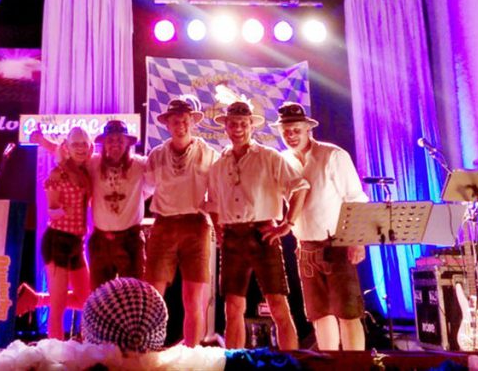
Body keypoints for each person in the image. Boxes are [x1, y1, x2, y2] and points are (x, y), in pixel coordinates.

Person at [206, 99, 309, 350]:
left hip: (263, 235)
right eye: (233, 124)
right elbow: (213, 204)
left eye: (243, 123)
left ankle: (290, 362)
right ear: (226, 127)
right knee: (232, 308)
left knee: (278, 305)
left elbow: (300, 187)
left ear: (252, 126)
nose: (238, 129)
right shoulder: (218, 164)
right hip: (232, 239)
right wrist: (219, 229)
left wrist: (287, 223)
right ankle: (234, 363)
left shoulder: (269, 156)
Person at [271, 101, 369, 351]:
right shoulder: (282, 160)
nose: (291, 136)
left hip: (337, 243)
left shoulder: (332, 155)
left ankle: (353, 366)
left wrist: (357, 240)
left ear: (308, 129)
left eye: (296, 130)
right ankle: (328, 362)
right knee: (319, 313)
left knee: (348, 312)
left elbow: (355, 198)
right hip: (305, 247)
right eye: (286, 131)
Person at [31, 120, 152, 290]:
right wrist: (41, 140)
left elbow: (153, 185)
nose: (115, 144)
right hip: (101, 241)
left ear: (127, 143)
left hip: (130, 241)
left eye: (120, 140)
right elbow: (68, 154)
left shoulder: (140, 164)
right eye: (110, 140)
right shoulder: (93, 163)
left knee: (133, 293)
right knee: (99, 296)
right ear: (104, 143)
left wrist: (136, 199)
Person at [144, 98, 219, 347]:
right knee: (153, 296)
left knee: (194, 298)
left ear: (192, 123)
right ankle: (148, 351)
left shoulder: (208, 154)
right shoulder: (157, 155)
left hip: (195, 226)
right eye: (175, 121)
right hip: (163, 225)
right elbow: (143, 189)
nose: (181, 126)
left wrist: (219, 224)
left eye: (185, 121)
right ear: (167, 124)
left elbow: (218, 193)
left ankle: (192, 354)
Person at [16, 126, 93, 340]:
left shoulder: (87, 169)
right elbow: (51, 211)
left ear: (89, 147)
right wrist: (64, 211)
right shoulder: (58, 173)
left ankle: (37, 299)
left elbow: (56, 148)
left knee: (85, 299)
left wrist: (41, 140)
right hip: (58, 240)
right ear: (68, 147)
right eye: (75, 144)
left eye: (84, 144)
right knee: (58, 308)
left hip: (77, 242)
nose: (80, 148)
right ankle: (55, 352)